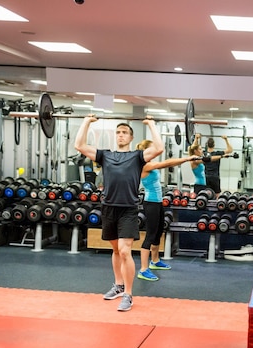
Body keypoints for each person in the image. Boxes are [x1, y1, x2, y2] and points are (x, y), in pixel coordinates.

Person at [75, 116, 164, 312]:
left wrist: (151, 125)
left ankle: (129, 295)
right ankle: (118, 285)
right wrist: (87, 122)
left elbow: (159, 148)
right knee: (115, 251)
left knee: (125, 251)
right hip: (108, 207)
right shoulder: (105, 155)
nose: (120, 135)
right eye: (118, 132)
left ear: (131, 138)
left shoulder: (137, 156)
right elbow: (79, 145)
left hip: (128, 208)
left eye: (124, 132)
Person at [135, 139, 201, 281]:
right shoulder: (145, 165)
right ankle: (143, 269)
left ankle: (155, 260)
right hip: (150, 203)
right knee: (150, 235)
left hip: (158, 203)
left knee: (158, 232)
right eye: (152, 149)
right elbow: (167, 163)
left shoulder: (150, 164)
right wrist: (187, 158)